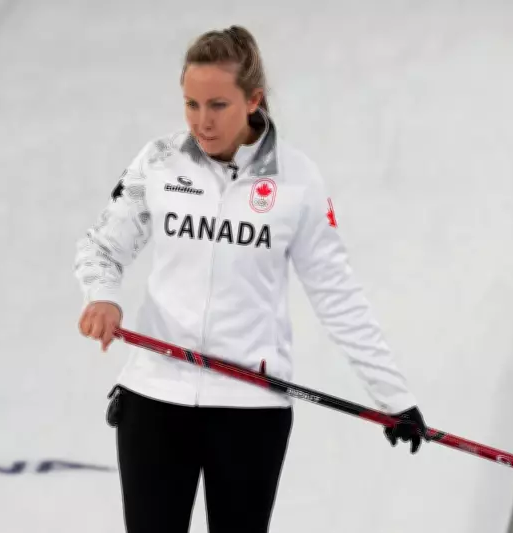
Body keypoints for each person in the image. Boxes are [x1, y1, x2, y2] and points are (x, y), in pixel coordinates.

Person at [74, 24, 427, 533]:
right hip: (154, 397)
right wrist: (103, 296)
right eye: (191, 104)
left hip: (249, 406)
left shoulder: (297, 181)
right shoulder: (160, 162)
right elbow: (102, 246)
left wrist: (393, 397)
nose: (202, 121)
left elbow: (337, 294)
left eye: (218, 105)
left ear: (253, 99)